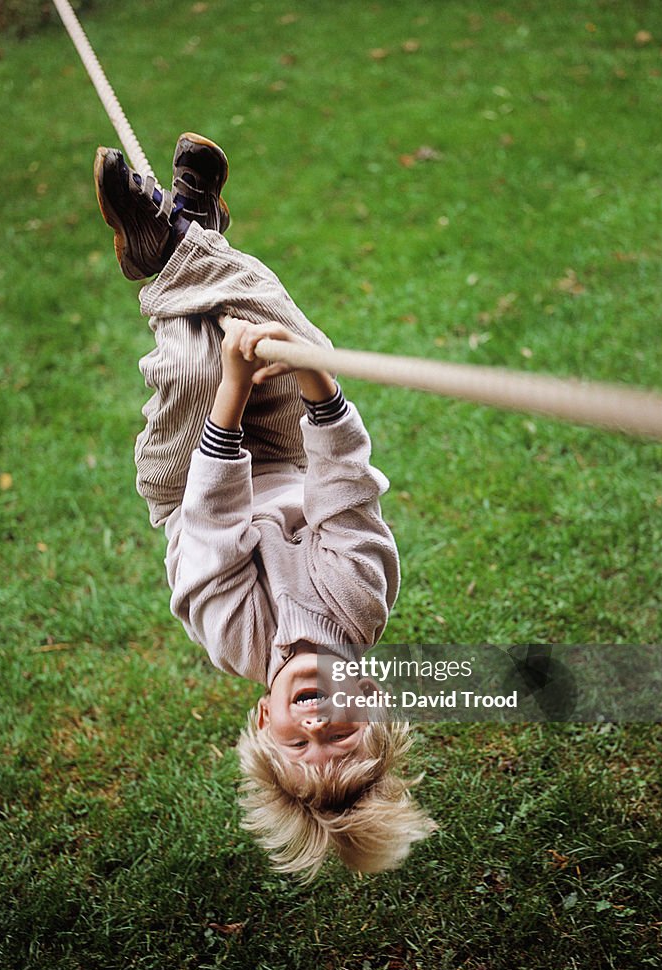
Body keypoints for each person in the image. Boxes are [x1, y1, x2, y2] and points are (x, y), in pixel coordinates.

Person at [93, 135, 436, 878]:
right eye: (342, 735)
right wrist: (308, 375)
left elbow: (210, 523)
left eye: (298, 741)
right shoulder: (362, 601)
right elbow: (346, 486)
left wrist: (234, 387)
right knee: (293, 328)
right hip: (288, 457)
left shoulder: (235, 640)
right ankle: (187, 233)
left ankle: (178, 236)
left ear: (263, 720)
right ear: (371, 696)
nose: (316, 724)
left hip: (190, 482)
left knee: (193, 359)